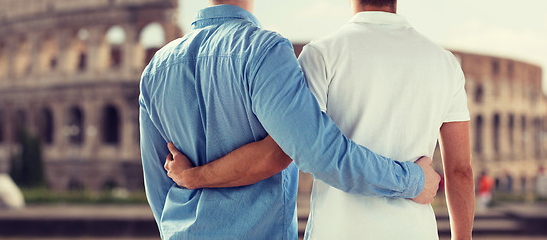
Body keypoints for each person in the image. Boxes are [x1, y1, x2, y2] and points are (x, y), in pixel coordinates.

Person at [165, 0, 474, 239]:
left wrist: (195, 176)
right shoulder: (445, 64)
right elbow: (460, 172)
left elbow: (284, 150)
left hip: (337, 230)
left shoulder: (322, 53)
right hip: (414, 231)